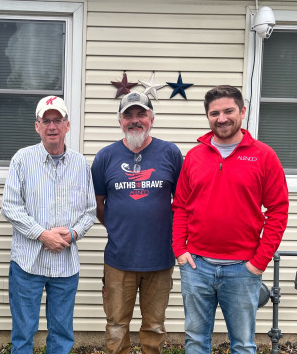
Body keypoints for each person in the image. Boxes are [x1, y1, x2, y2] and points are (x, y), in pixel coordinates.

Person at [172, 85, 289, 354]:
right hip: (197, 267)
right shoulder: (195, 157)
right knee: (195, 342)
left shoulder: (263, 156)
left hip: (242, 269)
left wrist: (259, 261)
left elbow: (278, 211)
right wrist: (180, 250)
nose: (221, 118)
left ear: (242, 111)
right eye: (214, 113)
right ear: (208, 116)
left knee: (243, 345)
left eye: (228, 111)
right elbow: (180, 207)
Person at [1, 96, 96, 354]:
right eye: (46, 121)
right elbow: (10, 206)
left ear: (67, 125)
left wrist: (73, 234)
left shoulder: (80, 164)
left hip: (65, 265)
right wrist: (43, 235)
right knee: (23, 332)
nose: (52, 126)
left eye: (58, 120)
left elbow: (90, 211)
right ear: (37, 126)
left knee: (62, 333)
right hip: (27, 263)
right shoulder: (22, 160)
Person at [91, 91, 183, 354]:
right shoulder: (105, 157)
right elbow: (98, 205)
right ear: (120, 120)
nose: (135, 120)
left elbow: (182, 202)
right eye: (128, 115)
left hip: (161, 259)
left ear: (151, 118)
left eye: (141, 114)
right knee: (116, 326)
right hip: (119, 260)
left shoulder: (170, 153)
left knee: (154, 327)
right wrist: (122, 228)